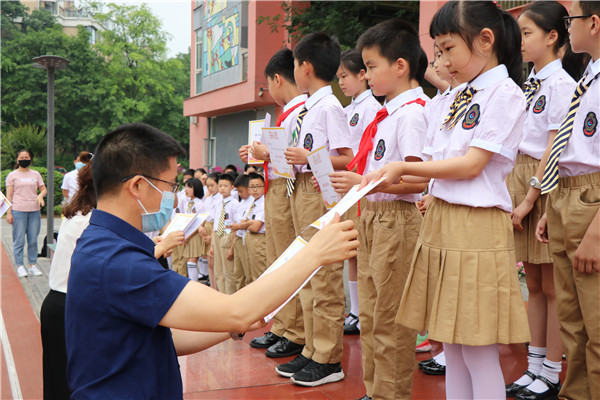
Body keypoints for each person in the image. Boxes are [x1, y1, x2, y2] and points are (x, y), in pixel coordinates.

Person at [64, 122, 358, 398]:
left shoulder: (105, 242)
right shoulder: (118, 261)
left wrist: (233, 327)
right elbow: (237, 310)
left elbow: (161, 338)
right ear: (138, 186)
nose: (174, 197)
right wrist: (315, 253)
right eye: (170, 186)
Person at [363, 2, 531, 398]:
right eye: (438, 51)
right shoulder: (458, 96)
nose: (442, 61)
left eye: (448, 49)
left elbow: (471, 165)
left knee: (477, 348)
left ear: (485, 40)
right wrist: (399, 179)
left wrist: (401, 169)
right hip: (442, 221)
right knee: (452, 348)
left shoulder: (504, 93)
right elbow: (435, 164)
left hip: (476, 227)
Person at [327, 18, 428, 400]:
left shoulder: (413, 113)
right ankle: (375, 390)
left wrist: (365, 182)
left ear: (400, 66)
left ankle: (391, 393)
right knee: (370, 315)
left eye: (371, 66)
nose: (366, 75)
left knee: (390, 318)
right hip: (373, 215)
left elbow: (418, 181)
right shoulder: (388, 114)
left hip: (395, 220)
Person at [506, 2, 584, 399]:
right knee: (533, 282)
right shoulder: (531, 83)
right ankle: (534, 365)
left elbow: (554, 146)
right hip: (521, 176)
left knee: (552, 286)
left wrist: (531, 196)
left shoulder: (561, 85)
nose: (520, 41)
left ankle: (552, 371)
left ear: (553, 37)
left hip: (543, 183)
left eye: (527, 33)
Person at [275, 32, 353, 387]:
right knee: (305, 270)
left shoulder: (329, 107)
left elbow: (347, 157)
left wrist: (308, 157)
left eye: (294, 65)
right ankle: (311, 345)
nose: (294, 71)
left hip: (320, 190)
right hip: (302, 187)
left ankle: (328, 356)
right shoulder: (309, 108)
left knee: (324, 275)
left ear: (305, 67)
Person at [536, 2, 600, 399]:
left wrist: (596, 232)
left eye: (569, 20)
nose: (567, 27)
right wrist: (551, 206)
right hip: (566, 194)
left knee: (597, 324)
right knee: (573, 324)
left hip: (591, 202)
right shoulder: (589, 75)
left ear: (593, 23)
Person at [241, 48, 307, 359]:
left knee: (287, 260)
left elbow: (295, 161)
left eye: (268, 84)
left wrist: (266, 154)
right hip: (277, 187)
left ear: (278, 79)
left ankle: (294, 330)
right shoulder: (290, 113)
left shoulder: (303, 110)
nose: (270, 90)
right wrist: (257, 155)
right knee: (277, 261)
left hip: (289, 187)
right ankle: (282, 325)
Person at [335, 48, 381, 337]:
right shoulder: (347, 109)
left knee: (362, 251)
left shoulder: (371, 108)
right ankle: (355, 310)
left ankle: (364, 312)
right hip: (348, 187)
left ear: (362, 75)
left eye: (345, 76)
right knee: (352, 251)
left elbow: (366, 154)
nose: (340, 82)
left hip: (361, 186)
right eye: (338, 77)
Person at [5, 149, 47, 277]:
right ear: (17, 160)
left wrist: (40, 196)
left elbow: (43, 189)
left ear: (30, 159)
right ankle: (20, 266)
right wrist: (9, 213)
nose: (24, 159)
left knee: (33, 240)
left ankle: (32, 265)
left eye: (27, 157)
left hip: (34, 211)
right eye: (22, 157)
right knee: (19, 240)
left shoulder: (36, 174)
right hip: (18, 211)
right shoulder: (12, 175)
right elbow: (9, 196)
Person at [210, 173, 237, 293]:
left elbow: (236, 226)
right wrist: (212, 245)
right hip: (217, 235)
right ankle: (222, 294)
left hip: (228, 234)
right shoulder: (218, 203)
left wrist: (232, 247)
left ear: (232, 187)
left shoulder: (235, 204)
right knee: (219, 271)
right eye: (220, 186)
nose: (222, 188)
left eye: (225, 186)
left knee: (228, 270)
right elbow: (215, 224)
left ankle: (230, 296)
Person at [240, 173, 266, 282]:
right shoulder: (251, 202)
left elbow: (255, 227)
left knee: (259, 273)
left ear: (264, 186)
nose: (255, 190)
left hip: (259, 239)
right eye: (252, 187)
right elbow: (243, 221)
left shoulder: (264, 202)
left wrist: (243, 225)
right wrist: (246, 224)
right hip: (248, 238)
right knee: (249, 274)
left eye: (258, 186)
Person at [198, 172, 221, 289]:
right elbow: (203, 214)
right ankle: (213, 287)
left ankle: (217, 289)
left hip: (215, 228)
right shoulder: (208, 199)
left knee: (215, 262)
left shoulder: (221, 199)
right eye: (208, 186)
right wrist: (200, 226)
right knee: (210, 262)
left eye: (212, 185)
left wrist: (211, 237)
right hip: (206, 226)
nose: (210, 188)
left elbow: (218, 220)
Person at [229, 174, 253, 289]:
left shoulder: (253, 202)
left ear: (248, 188)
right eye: (238, 191)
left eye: (241, 191)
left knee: (248, 273)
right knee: (238, 273)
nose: (239, 194)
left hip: (246, 239)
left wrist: (239, 226)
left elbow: (247, 222)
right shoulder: (241, 203)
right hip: (238, 238)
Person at [181, 178, 205, 281]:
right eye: (185, 186)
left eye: (189, 187)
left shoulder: (200, 203)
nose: (186, 189)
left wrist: (188, 236)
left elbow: (200, 222)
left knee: (192, 261)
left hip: (194, 235)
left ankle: (194, 283)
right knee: (189, 261)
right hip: (187, 234)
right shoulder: (187, 203)